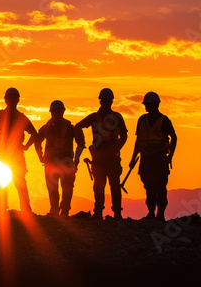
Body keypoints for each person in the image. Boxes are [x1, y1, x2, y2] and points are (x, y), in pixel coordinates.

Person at [75, 88, 128, 220]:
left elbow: (124, 136)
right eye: (105, 101)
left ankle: (112, 213)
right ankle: (103, 212)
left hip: (108, 157)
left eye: (107, 101)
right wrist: (82, 143)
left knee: (111, 185)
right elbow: (77, 127)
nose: (106, 104)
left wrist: (116, 149)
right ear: (101, 102)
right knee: (102, 185)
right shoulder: (106, 117)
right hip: (103, 157)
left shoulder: (102, 117)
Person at [0, 88, 37, 213]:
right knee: (11, 181)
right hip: (7, 154)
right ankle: (18, 209)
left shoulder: (12, 117)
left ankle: (10, 209)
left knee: (15, 181)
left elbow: (34, 134)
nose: (13, 100)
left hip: (11, 154)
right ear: (7, 100)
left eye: (14, 98)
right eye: (11, 98)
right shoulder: (13, 117)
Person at [129, 92, 177, 221]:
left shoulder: (164, 121)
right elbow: (138, 141)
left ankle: (160, 214)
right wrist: (133, 158)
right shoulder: (142, 120)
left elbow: (174, 137)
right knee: (149, 186)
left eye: (149, 105)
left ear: (156, 105)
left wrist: (170, 156)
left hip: (159, 158)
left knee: (160, 186)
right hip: (146, 159)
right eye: (146, 105)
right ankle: (151, 212)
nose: (146, 107)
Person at [35, 100, 85, 216]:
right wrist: (76, 160)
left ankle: (59, 210)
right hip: (59, 163)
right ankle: (59, 211)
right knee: (60, 187)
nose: (57, 114)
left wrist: (40, 156)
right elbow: (81, 144)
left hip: (56, 163)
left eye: (58, 112)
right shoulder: (63, 127)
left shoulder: (51, 128)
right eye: (56, 112)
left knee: (59, 187)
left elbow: (37, 141)